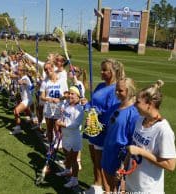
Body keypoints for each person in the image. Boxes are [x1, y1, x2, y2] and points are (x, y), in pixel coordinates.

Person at [125, 80, 176, 193]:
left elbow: (171, 165)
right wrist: (124, 169)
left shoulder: (163, 130)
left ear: (150, 105)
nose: (134, 105)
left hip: (148, 189)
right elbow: (133, 148)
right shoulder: (140, 120)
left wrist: (142, 152)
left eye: (138, 102)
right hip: (131, 185)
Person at [84, 58, 125, 194]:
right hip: (92, 128)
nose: (101, 72)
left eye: (104, 70)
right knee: (95, 160)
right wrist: (86, 104)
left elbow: (111, 111)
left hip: (103, 130)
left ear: (113, 72)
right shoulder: (101, 86)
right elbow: (92, 102)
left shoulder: (115, 89)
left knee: (104, 165)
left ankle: (109, 190)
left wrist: (97, 115)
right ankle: (97, 185)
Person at [101, 78, 139, 192]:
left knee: (119, 189)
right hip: (108, 151)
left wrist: (124, 164)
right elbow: (108, 127)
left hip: (119, 157)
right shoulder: (115, 107)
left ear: (129, 91)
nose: (116, 93)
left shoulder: (134, 113)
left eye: (120, 90)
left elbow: (133, 141)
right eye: (116, 90)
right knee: (109, 186)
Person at [55, 86, 84, 188]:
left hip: (74, 138)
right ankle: (67, 171)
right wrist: (59, 125)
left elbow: (75, 125)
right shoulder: (67, 105)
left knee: (73, 160)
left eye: (73, 94)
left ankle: (74, 180)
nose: (70, 95)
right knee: (67, 156)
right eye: (70, 93)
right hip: (66, 135)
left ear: (78, 96)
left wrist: (63, 125)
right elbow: (63, 117)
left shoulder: (79, 109)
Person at [40, 61, 68, 144]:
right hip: (48, 107)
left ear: (53, 68)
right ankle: (51, 147)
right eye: (46, 70)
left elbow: (66, 94)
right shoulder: (45, 82)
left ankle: (59, 144)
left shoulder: (62, 80)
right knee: (49, 128)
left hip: (59, 107)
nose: (48, 70)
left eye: (49, 68)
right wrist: (48, 99)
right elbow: (42, 97)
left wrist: (59, 99)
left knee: (58, 127)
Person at [9, 64, 33, 135]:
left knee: (16, 111)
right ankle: (34, 120)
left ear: (23, 71)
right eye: (17, 69)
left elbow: (24, 81)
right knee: (28, 112)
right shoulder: (20, 76)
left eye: (19, 70)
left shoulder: (25, 78)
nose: (17, 71)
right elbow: (11, 76)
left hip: (27, 100)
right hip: (25, 99)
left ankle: (18, 128)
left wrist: (22, 82)